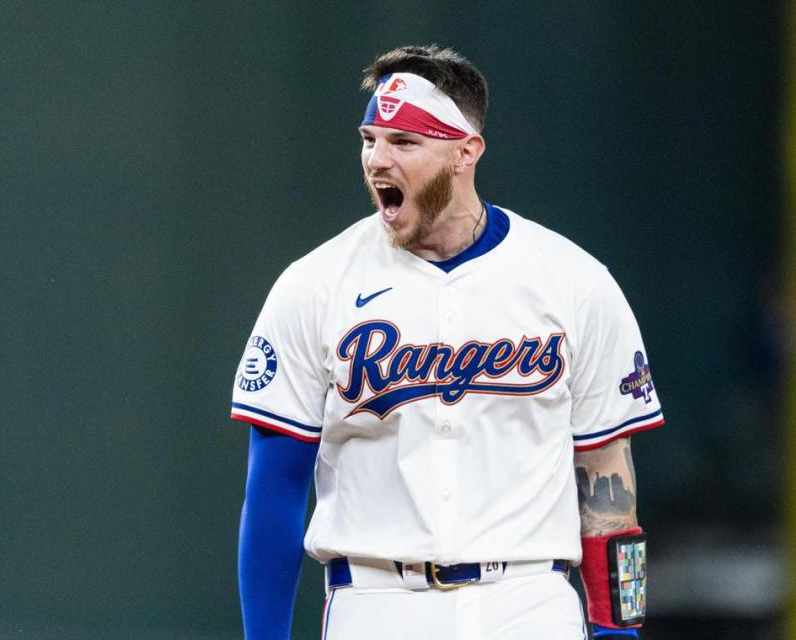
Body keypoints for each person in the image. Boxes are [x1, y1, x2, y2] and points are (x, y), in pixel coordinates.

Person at [231, 44, 663, 640]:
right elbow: (274, 491)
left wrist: (620, 634)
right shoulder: (314, 285)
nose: (378, 159)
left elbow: (609, 488)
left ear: (466, 152)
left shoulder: (574, 281)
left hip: (530, 600)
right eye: (369, 139)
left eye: (405, 143)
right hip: (376, 601)